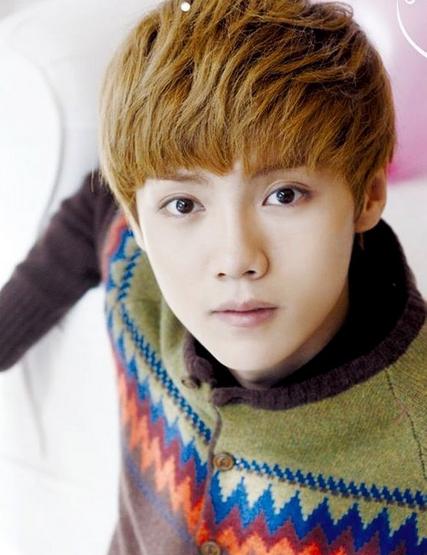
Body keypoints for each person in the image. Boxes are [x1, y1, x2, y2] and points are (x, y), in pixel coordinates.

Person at [1, 0, 426, 553]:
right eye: (184, 205)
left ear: (367, 196)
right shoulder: (138, 269)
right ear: (138, 220)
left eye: (285, 195)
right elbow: (97, 202)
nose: (236, 258)